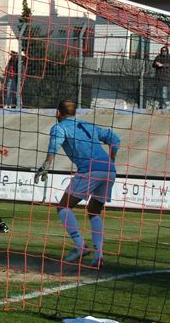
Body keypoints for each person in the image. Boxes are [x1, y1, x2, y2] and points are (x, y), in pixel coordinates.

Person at [34, 99, 120, 268]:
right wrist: (111, 160)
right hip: (110, 171)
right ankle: (99, 256)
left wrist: (45, 167)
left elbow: (54, 147)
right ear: (75, 113)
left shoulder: (59, 127)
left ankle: (80, 246)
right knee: (94, 211)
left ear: (58, 113)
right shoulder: (89, 125)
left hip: (89, 169)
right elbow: (115, 139)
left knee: (63, 207)